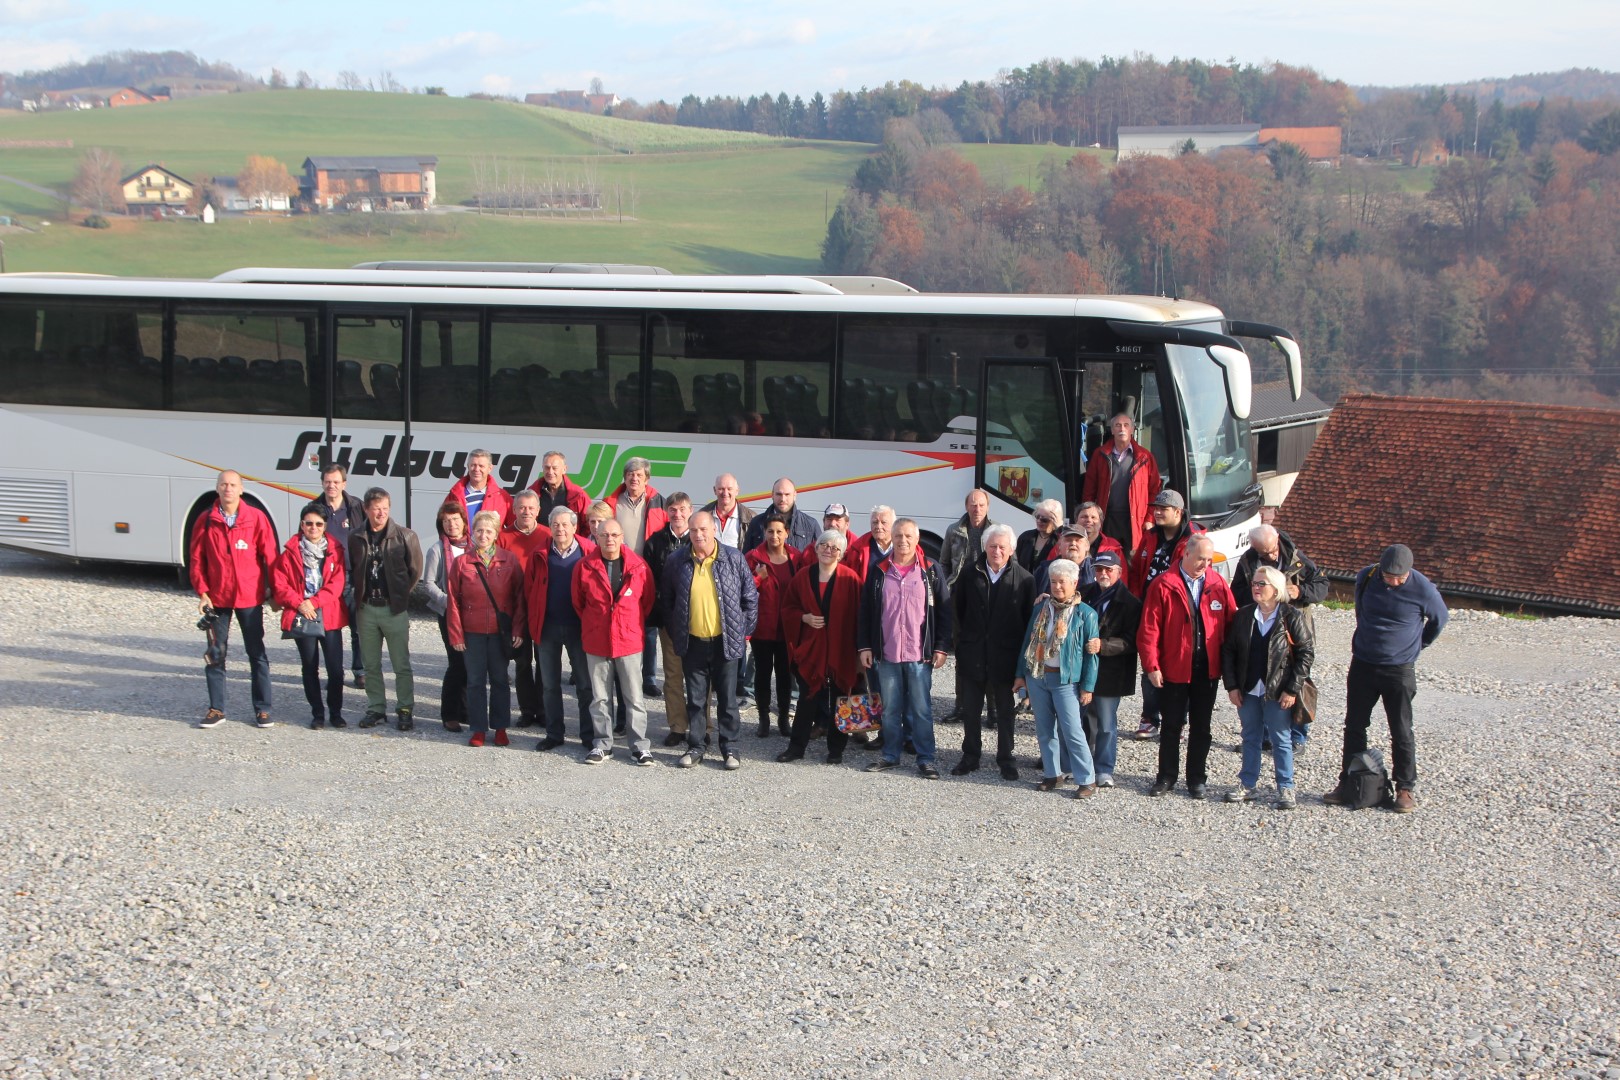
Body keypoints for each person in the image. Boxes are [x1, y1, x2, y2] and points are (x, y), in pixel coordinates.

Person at [1324, 544, 1448, 814]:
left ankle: (1405, 787)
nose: (1393, 581)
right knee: (1354, 725)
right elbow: (1361, 610)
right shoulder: (1367, 577)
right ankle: (1348, 781)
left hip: (1399, 669)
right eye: (1388, 576)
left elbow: (1440, 619)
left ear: (1408, 572)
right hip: (1363, 663)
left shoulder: (1423, 589)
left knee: (1401, 729)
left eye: (1399, 578)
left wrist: (1417, 646)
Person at [1137, 535, 1236, 799]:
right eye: (1201, 558)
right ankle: (1166, 776)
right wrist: (1152, 665)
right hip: (1174, 667)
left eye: (1209, 559)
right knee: (1171, 725)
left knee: (1202, 727)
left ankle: (1196, 778)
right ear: (1186, 555)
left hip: (1207, 668)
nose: (1205, 564)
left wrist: (1230, 667)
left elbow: (1230, 625)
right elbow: (1149, 629)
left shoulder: (1218, 584)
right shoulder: (1163, 585)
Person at [661, 511, 758, 770]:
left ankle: (730, 748)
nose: (698, 535)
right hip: (693, 642)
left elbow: (750, 598)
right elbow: (667, 601)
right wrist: (677, 630)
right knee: (696, 699)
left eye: (703, 529)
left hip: (725, 643)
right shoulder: (676, 561)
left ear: (713, 529)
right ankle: (696, 746)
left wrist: (742, 632)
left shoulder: (733, 558)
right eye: (693, 531)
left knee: (727, 700)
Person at [858, 518, 952, 779]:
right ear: (892, 537)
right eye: (898, 536)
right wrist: (865, 646)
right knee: (889, 708)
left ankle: (926, 758)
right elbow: (866, 610)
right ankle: (890, 755)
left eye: (908, 536)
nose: (903, 541)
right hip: (887, 653)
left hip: (919, 655)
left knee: (921, 709)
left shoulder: (930, 570)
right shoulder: (878, 570)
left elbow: (944, 611)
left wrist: (942, 647)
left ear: (917, 538)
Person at [1222, 565, 1314, 810]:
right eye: (1254, 583)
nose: (1256, 587)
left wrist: (1292, 690)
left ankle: (1286, 788)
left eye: (1262, 584)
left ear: (1276, 589)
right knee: (1250, 736)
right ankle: (1247, 784)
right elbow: (1229, 651)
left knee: (1281, 739)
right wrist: (1231, 686)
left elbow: (1306, 654)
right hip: (1248, 688)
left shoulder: (1291, 617)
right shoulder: (1243, 616)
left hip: (1278, 690)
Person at [191, 470, 277, 728]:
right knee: (216, 654)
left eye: (232, 485)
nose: (228, 488)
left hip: (250, 597)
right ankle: (216, 709)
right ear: (217, 489)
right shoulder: (206, 520)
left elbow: (270, 556)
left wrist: (273, 591)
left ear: (241, 489)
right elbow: (196, 559)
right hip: (218, 599)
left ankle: (263, 709)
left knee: (257, 654)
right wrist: (203, 592)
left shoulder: (256, 518)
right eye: (223, 484)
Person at [1229, 523, 1327, 751]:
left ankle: (1297, 737)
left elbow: (1322, 586)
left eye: (1272, 550)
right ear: (1255, 549)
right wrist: (1261, 593)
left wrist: (1300, 592)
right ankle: (1264, 737)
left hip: (1294, 632)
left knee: (1298, 683)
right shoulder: (1248, 561)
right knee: (1263, 682)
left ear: (1277, 541)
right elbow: (1237, 594)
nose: (1271, 555)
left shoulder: (1295, 556)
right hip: (1262, 629)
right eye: (1265, 553)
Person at [950, 523, 1034, 780]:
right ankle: (971, 756)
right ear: (984, 547)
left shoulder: (1025, 579)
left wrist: (1022, 664)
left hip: (1005, 658)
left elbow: (1028, 621)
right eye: (992, 546)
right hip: (973, 653)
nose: (996, 551)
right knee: (971, 710)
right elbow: (957, 611)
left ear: (1011, 550)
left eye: (1001, 547)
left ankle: (1006, 759)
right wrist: (961, 644)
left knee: (1005, 712)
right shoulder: (969, 573)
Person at [1014, 558, 1102, 797]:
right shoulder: (1041, 608)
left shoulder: (1086, 615)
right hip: (1039, 676)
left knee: (1072, 730)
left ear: (1074, 583)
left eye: (1062, 582)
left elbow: (1091, 656)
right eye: (1053, 582)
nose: (1057, 587)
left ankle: (1087, 779)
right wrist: (1021, 675)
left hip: (1066, 681)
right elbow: (1028, 642)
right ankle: (1052, 774)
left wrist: (1087, 687)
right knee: (1044, 729)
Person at [572, 520, 657, 765]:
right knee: (600, 698)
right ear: (596, 537)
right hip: (597, 640)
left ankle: (639, 746)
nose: (609, 539)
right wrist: (597, 622)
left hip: (628, 640)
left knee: (634, 698)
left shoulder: (638, 567)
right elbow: (578, 603)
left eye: (614, 535)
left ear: (622, 537)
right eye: (604, 535)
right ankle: (602, 745)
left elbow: (647, 601)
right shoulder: (584, 566)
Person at [777, 529, 864, 765]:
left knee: (840, 700)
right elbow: (787, 609)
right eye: (824, 544)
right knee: (807, 698)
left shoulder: (850, 579)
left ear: (842, 553)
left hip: (841, 650)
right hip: (811, 651)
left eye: (835, 547)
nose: (829, 550)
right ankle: (796, 748)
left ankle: (836, 750)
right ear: (816, 548)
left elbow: (860, 617)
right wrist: (803, 618)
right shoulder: (803, 576)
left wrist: (860, 653)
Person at [1130, 489, 1206, 740]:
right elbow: (1138, 571)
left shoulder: (1191, 541)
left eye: (1164, 508)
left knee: (1179, 665)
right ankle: (1149, 717)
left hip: (1177, 611)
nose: (1158, 511)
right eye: (1156, 507)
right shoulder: (1150, 536)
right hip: (1148, 608)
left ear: (1178, 512)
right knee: (1150, 662)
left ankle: (1178, 720)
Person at [447, 511, 526, 748]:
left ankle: (500, 728)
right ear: (473, 532)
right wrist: (456, 633)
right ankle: (479, 728)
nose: (483, 535)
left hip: (500, 633)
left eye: (488, 531)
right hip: (472, 632)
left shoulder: (509, 560)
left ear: (496, 534)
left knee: (500, 679)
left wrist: (518, 629)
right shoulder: (462, 562)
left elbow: (520, 598)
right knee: (475, 681)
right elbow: (453, 600)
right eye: (479, 530)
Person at [347, 487, 424, 731]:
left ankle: (404, 708)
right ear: (366, 510)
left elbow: (414, 571)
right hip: (366, 608)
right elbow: (354, 569)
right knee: (370, 664)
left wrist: (399, 595)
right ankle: (376, 708)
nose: (381, 513)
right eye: (376, 508)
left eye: (385, 508)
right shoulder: (356, 537)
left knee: (401, 664)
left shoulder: (405, 536)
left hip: (393, 608)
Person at [273, 501, 351, 730]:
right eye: (309, 523)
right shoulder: (289, 553)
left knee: (336, 668)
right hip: (302, 615)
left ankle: (336, 712)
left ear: (325, 525)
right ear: (302, 524)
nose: (313, 528)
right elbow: (280, 584)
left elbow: (336, 585)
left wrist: (313, 602)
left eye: (318, 524)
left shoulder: (335, 550)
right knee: (310, 666)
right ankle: (317, 713)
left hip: (329, 614)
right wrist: (300, 604)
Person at [527, 506, 596, 751]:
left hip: (579, 628)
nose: (560, 529)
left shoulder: (589, 552)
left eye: (565, 524)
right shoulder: (540, 553)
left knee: (585, 685)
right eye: (555, 524)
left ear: (575, 527)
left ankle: (589, 735)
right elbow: (529, 590)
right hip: (548, 627)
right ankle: (554, 733)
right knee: (549, 684)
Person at [604, 456, 669, 699]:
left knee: (648, 627)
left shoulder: (658, 502)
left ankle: (649, 678)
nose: (634, 478)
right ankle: (619, 672)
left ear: (647, 479)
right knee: (619, 621)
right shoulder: (612, 501)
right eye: (630, 474)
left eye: (639, 475)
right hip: (618, 569)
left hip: (647, 569)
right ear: (625, 477)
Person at [1084, 550, 1141, 788]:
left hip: (1112, 671)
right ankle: (1084, 765)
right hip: (1085, 669)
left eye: (1108, 570)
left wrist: (1103, 645)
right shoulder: (1084, 593)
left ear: (1118, 572)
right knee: (1085, 720)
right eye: (1099, 569)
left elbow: (1131, 641)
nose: (1103, 574)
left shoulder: (1130, 603)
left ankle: (1104, 769)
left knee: (1106, 723)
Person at [497, 490, 553, 728]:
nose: (526, 512)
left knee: (544, 663)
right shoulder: (503, 537)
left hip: (542, 609)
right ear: (514, 509)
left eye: (531, 508)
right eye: (521, 508)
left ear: (538, 511)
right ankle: (527, 710)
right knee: (521, 663)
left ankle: (543, 710)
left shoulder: (548, 535)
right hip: (515, 610)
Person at [645, 492, 696, 746]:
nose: (678, 514)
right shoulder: (655, 542)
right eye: (673, 509)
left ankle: (702, 726)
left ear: (690, 510)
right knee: (673, 676)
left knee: (699, 676)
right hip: (670, 622)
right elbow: (649, 582)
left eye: (682, 509)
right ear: (667, 512)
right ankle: (677, 726)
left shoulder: (701, 539)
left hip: (699, 622)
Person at [746, 519, 805, 738]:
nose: (774, 536)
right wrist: (758, 578)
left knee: (785, 675)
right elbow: (743, 590)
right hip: (762, 627)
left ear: (787, 533)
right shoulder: (753, 558)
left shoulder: (795, 558)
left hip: (787, 628)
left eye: (779, 531)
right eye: (770, 531)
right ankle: (763, 718)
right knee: (762, 674)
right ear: (764, 532)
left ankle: (782, 719)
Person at [417, 500, 470, 733]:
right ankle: (449, 714)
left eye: (455, 520)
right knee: (456, 663)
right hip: (449, 614)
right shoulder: (437, 549)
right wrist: (449, 602)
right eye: (446, 521)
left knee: (471, 664)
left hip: (472, 614)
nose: (451, 525)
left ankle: (465, 710)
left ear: (463, 522)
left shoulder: (474, 546)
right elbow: (427, 584)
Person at [1081, 412, 1161, 562]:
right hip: (1107, 518)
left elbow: (1154, 491)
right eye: (1117, 425)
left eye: (1126, 425)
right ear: (1112, 430)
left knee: (1132, 561)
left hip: (1135, 520)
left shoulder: (1145, 457)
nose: (1121, 429)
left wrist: (1150, 519)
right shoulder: (1100, 455)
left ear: (1132, 430)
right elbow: (1089, 489)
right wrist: (1089, 515)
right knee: (1107, 559)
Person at [318, 463, 368, 689]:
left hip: (354, 576)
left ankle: (360, 671)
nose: (332, 486)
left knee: (359, 627)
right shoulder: (314, 508)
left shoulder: (357, 507)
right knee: (331, 628)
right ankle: (334, 673)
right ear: (323, 483)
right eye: (328, 481)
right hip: (327, 579)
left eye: (336, 482)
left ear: (344, 484)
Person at [743, 477, 822, 552]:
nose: (783, 499)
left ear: (795, 496)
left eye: (787, 494)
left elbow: (820, 557)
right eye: (779, 494)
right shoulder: (757, 523)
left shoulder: (811, 525)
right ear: (772, 495)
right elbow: (745, 559)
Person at [939, 488, 993, 589]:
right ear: (966, 507)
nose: (977, 510)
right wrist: (945, 587)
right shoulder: (953, 530)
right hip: (959, 585)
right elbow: (944, 563)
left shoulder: (996, 531)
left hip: (986, 587)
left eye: (981, 505)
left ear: (987, 507)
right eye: (973, 505)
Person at [448, 449, 513, 529]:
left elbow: (514, 528)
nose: (476, 469)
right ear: (468, 466)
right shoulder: (455, 495)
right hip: (462, 542)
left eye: (481, 466)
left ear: (490, 468)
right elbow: (443, 525)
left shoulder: (502, 497)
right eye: (473, 465)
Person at [528, 450, 591, 523]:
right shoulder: (532, 494)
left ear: (564, 469)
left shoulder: (578, 495)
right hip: (541, 534)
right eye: (547, 468)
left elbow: (588, 525)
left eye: (555, 468)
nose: (550, 472)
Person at [1034, 526, 1096, 597]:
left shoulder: (1097, 569)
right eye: (1068, 540)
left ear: (1087, 546)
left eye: (1078, 540)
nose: (1073, 543)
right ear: (1059, 545)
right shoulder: (1044, 569)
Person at [703, 473, 755, 551]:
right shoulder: (703, 515)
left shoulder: (751, 518)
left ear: (737, 491)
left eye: (729, 489)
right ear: (715, 490)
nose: (725, 493)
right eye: (721, 489)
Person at [843, 505, 895, 582]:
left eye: (884, 522)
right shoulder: (857, 550)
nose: (878, 526)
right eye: (875, 522)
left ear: (893, 525)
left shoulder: (906, 548)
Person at [1015, 498, 1065, 572]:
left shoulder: (1059, 539)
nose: (1039, 521)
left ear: (1055, 521)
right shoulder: (1025, 537)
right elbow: (1015, 562)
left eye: (1044, 520)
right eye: (1037, 517)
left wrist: (1059, 528)